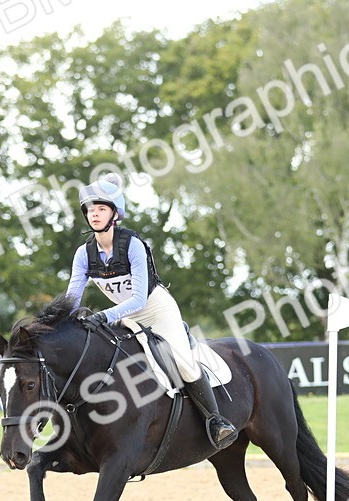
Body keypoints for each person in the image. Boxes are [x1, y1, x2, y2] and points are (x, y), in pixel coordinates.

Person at [66, 172, 238, 449]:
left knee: (182, 361)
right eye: (90, 210)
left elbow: (139, 300)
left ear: (114, 214)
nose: (94, 214)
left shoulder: (133, 245)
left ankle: (216, 421)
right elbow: (73, 296)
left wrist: (103, 316)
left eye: (101, 209)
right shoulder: (83, 254)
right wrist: (65, 321)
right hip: (124, 315)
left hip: (156, 310)